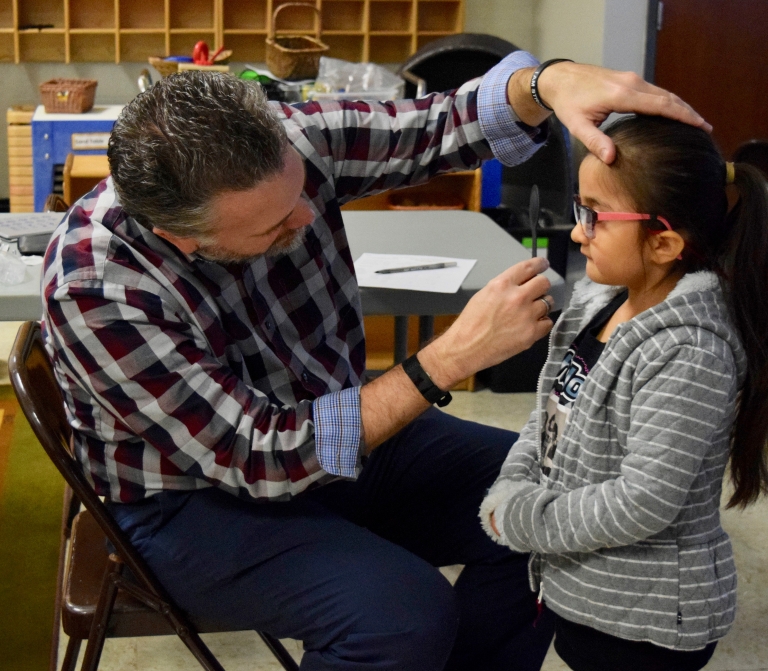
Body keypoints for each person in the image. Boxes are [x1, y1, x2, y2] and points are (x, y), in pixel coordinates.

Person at [42, 50, 710, 671]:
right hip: (190, 498)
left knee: (544, 507)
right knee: (401, 615)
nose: (306, 216)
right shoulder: (97, 286)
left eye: (302, 191)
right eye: (272, 228)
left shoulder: (281, 140)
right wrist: (446, 359)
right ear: (179, 235)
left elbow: (441, 124)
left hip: (325, 429)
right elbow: (262, 456)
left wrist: (542, 84)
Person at [480, 114, 768, 671]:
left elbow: (643, 501)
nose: (577, 231)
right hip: (589, 592)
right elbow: (548, 415)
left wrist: (523, 518)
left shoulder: (689, 351)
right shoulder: (600, 305)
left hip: (644, 621)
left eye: (594, 216)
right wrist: (512, 483)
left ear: (662, 242)